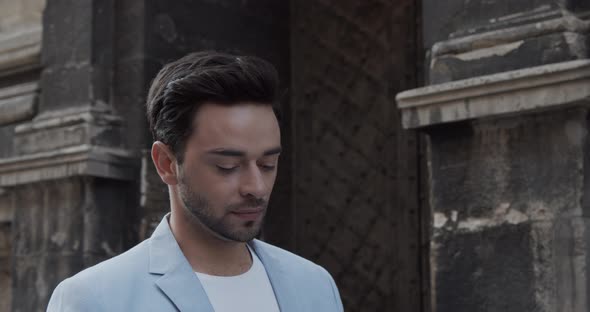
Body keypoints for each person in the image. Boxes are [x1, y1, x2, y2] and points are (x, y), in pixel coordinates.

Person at [47, 51, 344, 312]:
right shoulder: (94, 299)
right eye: (227, 166)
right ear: (166, 163)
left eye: (268, 164)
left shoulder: (315, 286)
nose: (257, 186)